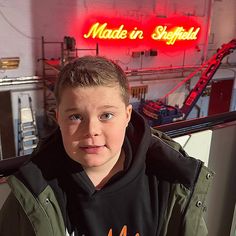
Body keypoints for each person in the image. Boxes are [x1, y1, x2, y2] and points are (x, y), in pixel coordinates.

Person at [0, 56, 214, 236]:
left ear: (127, 116)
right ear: (58, 119)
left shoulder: (169, 180)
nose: (91, 130)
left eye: (106, 115)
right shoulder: (33, 189)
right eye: (75, 116)